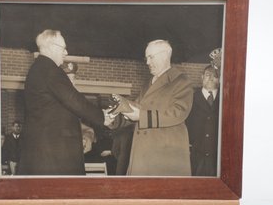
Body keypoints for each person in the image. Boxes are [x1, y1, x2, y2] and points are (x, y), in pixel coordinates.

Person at [18, 29, 109, 175]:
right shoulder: (50, 70)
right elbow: (74, 100)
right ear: (52, 47)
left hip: (44, 152)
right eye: (63, 48)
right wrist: (103, 117)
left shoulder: (38, 69)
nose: (66, 53)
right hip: (53, 155)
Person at [107, 39, 194, 176]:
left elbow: (177, 113)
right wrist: (115, 115)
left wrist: (141, 116)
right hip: (143, 152)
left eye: (151, 57)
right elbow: (135, 109)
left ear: (165, 56)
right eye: (146, 57)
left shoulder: (181, 81)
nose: (147, 62)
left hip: (164, 156)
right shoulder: (149, 83)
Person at [186, 65, 220, 176]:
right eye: (207, 75)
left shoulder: (226, 98)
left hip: (218, 158)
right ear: (201, 77)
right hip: (196, 155)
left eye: (215, 76)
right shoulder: (190, 98)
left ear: (219, 79)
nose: (210, 78)